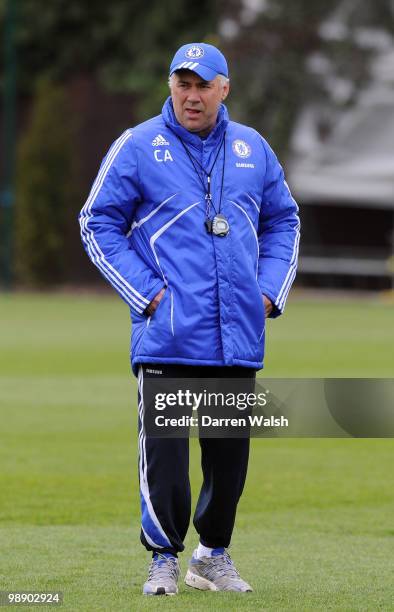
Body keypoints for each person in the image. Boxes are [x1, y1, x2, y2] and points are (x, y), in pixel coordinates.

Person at [79, 42, 300, 595]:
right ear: (170, 86)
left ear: (225, 88)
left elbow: (284, 221)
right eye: (183, 84)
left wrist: (270, 291)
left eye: (203, 85)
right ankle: (162, 559)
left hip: (237, 338)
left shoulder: (254, 147)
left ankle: (213, 555)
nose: (192, 96)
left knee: (229, 464)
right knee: (168, 465)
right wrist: (147, 295)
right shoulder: (136, 146)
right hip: (168, 337)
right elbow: (96, 220)